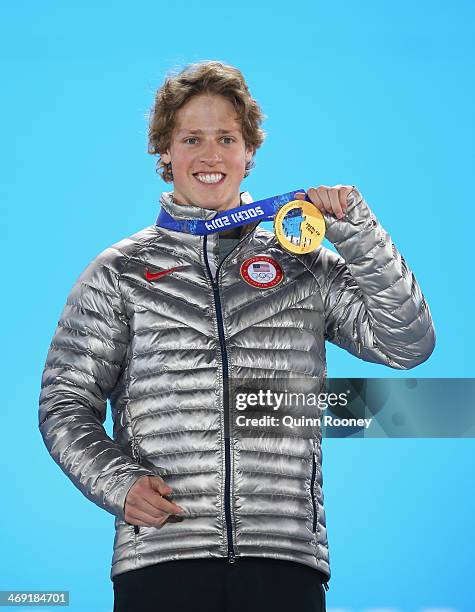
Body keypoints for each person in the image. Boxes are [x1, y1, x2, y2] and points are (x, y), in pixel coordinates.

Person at [38, 60, 436, 612]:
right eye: (191, 138)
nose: (210, 154)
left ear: (249, 152)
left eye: (227, 137)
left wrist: (355, 231)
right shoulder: (119, 271)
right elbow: (64, 403)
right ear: (165, 154)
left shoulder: (304, 266)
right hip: (161, 560)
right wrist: (118, 484)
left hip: (285, 561)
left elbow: (406, 343)